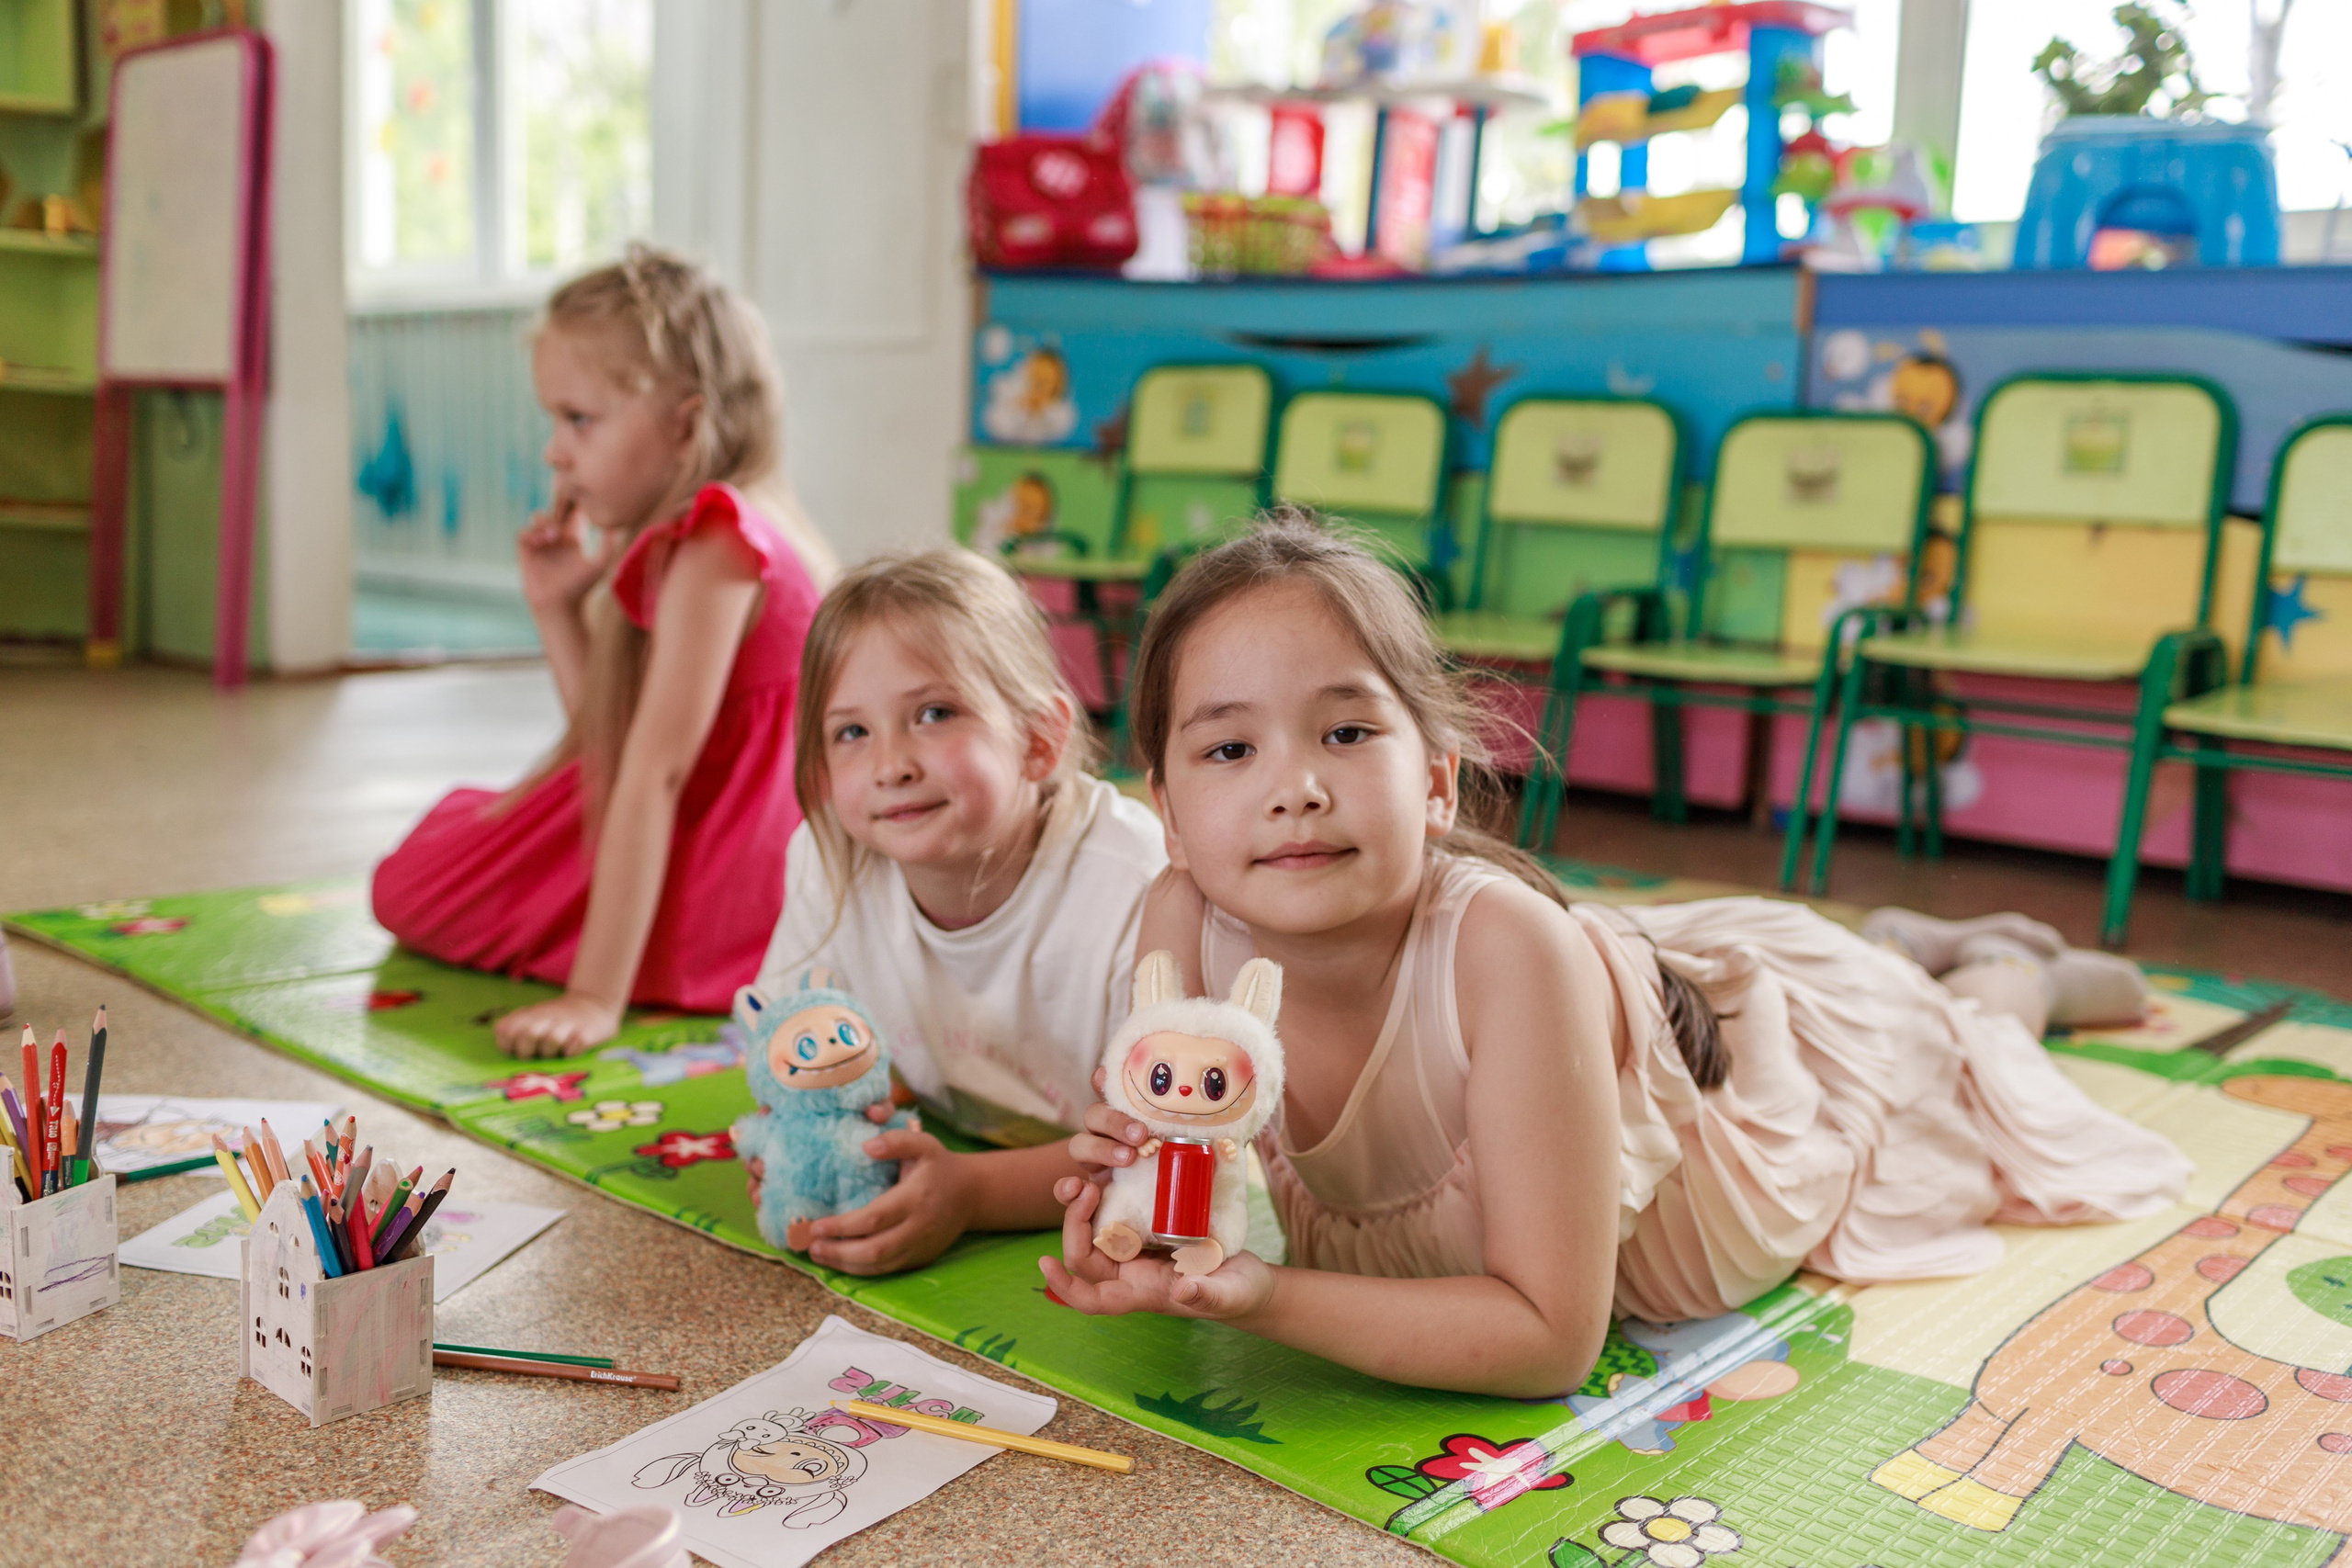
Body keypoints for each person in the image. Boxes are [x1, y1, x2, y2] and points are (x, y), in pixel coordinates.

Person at [1044, 515, 2188, 1398]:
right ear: (1167, 814)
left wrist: (1262, 1298)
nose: (1295, 787)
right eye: (1229, 748)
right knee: (1845, 987)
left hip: (1736, 1143)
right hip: (1617, 997)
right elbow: (1174, 1181)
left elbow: (1547, 1340)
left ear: (1436, 781)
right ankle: (1896, 947)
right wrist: (1122, 1211)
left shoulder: (1508, 952)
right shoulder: (1179, 918)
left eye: (1346, 732)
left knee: (1946, 1066)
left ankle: (2002, 977)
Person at [371, 246, 832, 1057]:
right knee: (444, 841)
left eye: (579, 419)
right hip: (720, 850)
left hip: (723, 881)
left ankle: (611, 962)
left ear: (686, 424)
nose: (555, 450)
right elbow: (613, 740)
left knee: (413, 882)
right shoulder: (726, 523)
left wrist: (593, 997)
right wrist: (557, 607)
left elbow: (652, 774)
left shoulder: (717, 538)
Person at [744, 548, 1168, 1273]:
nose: (892, 765)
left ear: (1039, 739)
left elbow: (1167, 1151)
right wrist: (803, 1144)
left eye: (935, 714)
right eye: (852, 732)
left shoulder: (1134, 883)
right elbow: (785, 1051)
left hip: (1081, 1175)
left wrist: (971, 1193)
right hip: (946, 1130)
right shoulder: (829, 856)